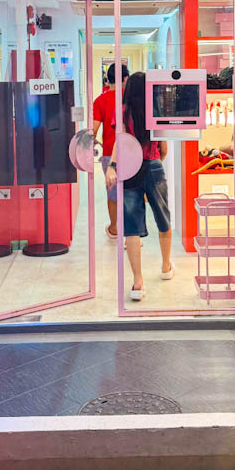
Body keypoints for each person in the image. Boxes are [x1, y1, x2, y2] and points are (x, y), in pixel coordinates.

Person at [105, 71, 174, 300]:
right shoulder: (157, 111)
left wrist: (113, 165)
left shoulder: (122, 112)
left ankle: (137, 282)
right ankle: (165, 267)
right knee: (163, 217)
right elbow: (163, 150)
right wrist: (152, 163)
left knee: (132, 226)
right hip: (153, 166)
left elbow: (120, 142)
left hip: (130, 169)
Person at [93, 63, 129, 239]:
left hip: (108, 151)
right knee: (131, 191)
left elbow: (92, 130)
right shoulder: (131, 98)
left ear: (108, 79)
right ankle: (131, 230)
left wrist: (97, 142)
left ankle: (114, 228)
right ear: (125, 78)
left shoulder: (100, 100)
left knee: (112, 190)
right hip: (132, 152)